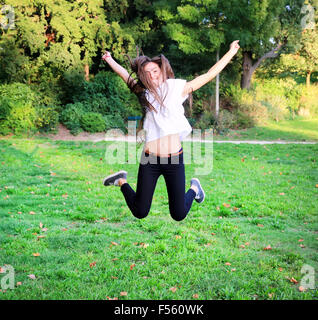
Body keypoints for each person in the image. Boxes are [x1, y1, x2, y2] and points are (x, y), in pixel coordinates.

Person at [102, 40, 240, 221]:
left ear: (162, 71)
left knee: (179, 214)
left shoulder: (177, 88)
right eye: (147, 73)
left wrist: (231, 52)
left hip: (174, 159)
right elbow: (125, 75)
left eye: (155, 71)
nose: (152, 75)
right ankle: (121, 180)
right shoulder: (143, 93)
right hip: (150, 160)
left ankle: (195, 189)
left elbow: (208, 75)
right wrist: (109, 59)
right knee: (140, 211)